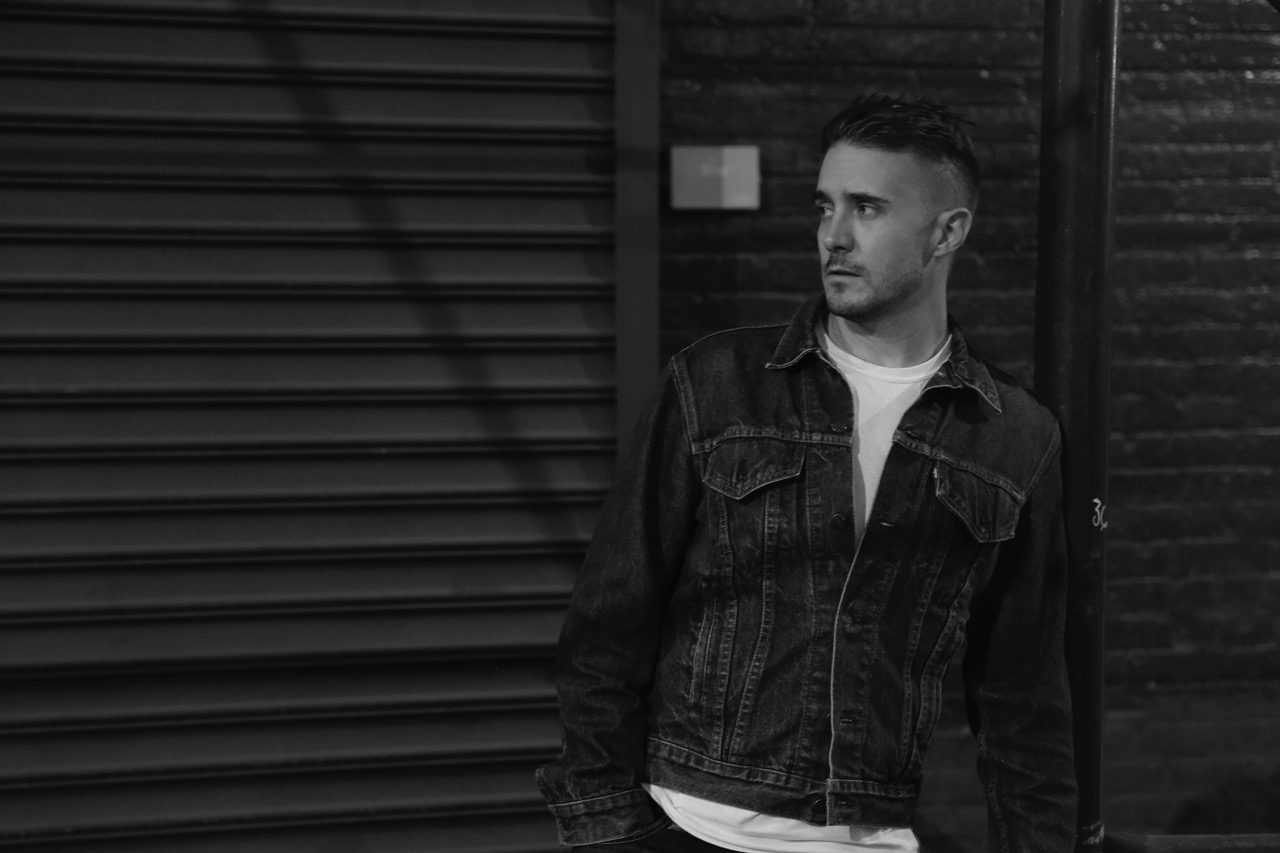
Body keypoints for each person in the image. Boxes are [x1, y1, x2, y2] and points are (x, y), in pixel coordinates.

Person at [536, 94, 1077, 853]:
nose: (834, 236)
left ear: (947, 231)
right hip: (688, 823)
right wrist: (610, 829)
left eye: (867, 208)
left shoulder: (1012, 436)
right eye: (825, 206)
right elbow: (608, 624)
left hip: (870, 835)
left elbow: (1022, 698)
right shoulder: (718, 383)